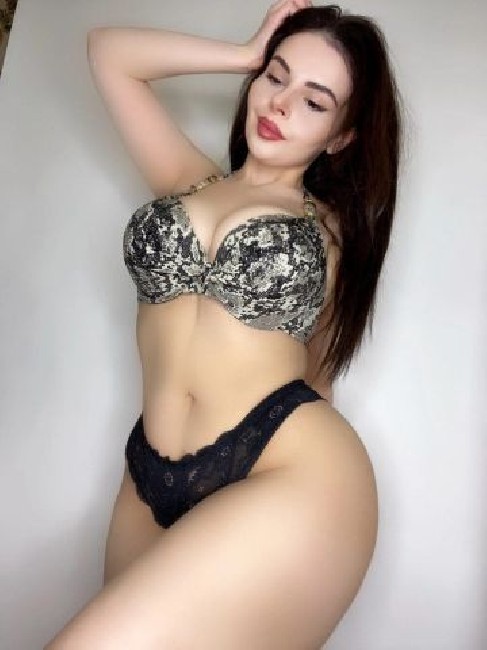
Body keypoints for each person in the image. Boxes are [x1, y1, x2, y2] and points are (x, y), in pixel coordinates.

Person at [46, 1, 402, 647]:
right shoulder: (187, 179)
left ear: (341, 136)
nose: (279, 104)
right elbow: (109, 53)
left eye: (313, 101)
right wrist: (243, 53)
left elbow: (317, 367)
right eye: (276, 76)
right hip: (148, 473)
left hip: (283, 463)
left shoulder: (332, 231)